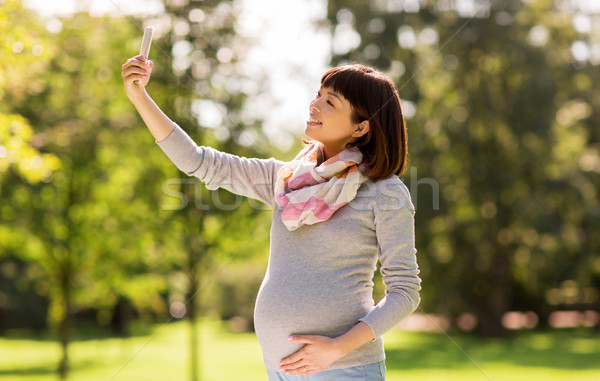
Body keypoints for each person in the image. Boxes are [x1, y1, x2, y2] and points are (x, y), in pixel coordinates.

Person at [122, 53, 421, 380]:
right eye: (317, 94)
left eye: (330, 102)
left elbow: (404, 293)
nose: (314, 104)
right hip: (279, 371)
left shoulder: (384, 192)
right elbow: (199, 162)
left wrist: (335, 348)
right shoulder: (285, 180)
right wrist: (140, 96)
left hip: (344, 370)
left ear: (360, 126)